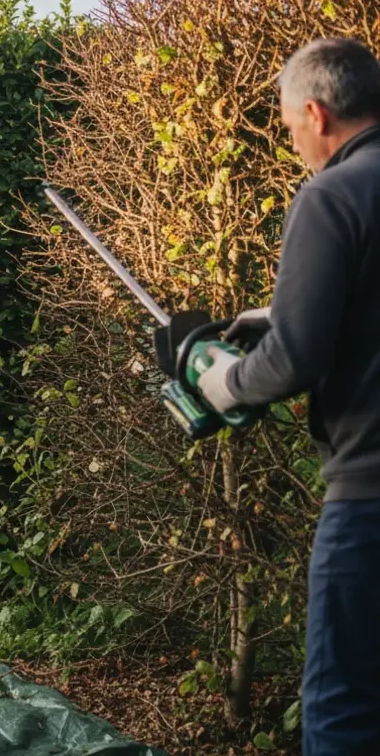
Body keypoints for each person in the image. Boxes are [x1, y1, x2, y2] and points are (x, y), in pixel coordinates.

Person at [197, 38, 380, 755]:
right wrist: (278, 313)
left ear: (316, 111)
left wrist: (227, 381)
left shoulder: (332, 192)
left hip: (370, 500)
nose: (295, 138)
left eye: (289, 123)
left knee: (341, 710)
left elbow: (298, 360)